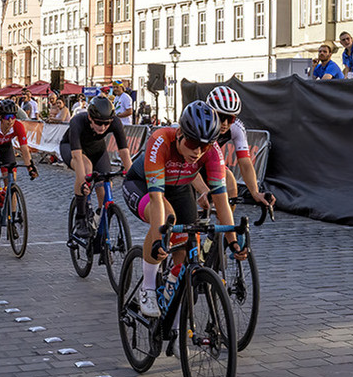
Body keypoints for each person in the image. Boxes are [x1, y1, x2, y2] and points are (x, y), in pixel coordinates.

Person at [122, 100, 234, 318]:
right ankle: (148, 288)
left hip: (180, 188)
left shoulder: (212, 152)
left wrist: (234, 241)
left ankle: (173, 301)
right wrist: (158, 240)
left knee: (186, 243)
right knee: (167, 218)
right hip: (142, 185)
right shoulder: (161, 140)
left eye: (206, 145)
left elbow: (222, 201)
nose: (199, 152)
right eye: (193, 143)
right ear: (181, 133)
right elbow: (156, 200)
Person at [59, 94, 134, 246]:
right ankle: (80, 218)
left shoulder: (115, 122)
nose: (103, 127)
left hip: (97, 150)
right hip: (72, 149)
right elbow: (78, 158)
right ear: (90, 117)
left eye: (107, 124)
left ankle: (100, 217)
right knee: (86, 168)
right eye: (99, 123)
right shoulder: (77, 122)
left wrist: (134, 178)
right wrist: (83, 182)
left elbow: (124, 153)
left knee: (105, 186)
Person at [201, 86, 274, 214]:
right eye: (221, 116)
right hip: (186, 164)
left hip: (208, 162)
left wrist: (255, 193)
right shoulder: (200, 123)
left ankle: (223, 229)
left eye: (230, 118)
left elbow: (245, 163)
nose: (225, 123)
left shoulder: (236, 128)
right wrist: (203, 190)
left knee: (230, 183)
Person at [0, 98, 37, 217]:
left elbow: (24, 149)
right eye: (7, 117)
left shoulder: (18, 126)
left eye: (13, 116)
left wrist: (30, 167)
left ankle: (13, 216)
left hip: (5, 147)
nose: (10, 120)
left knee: (11, 181)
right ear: (1, 117)